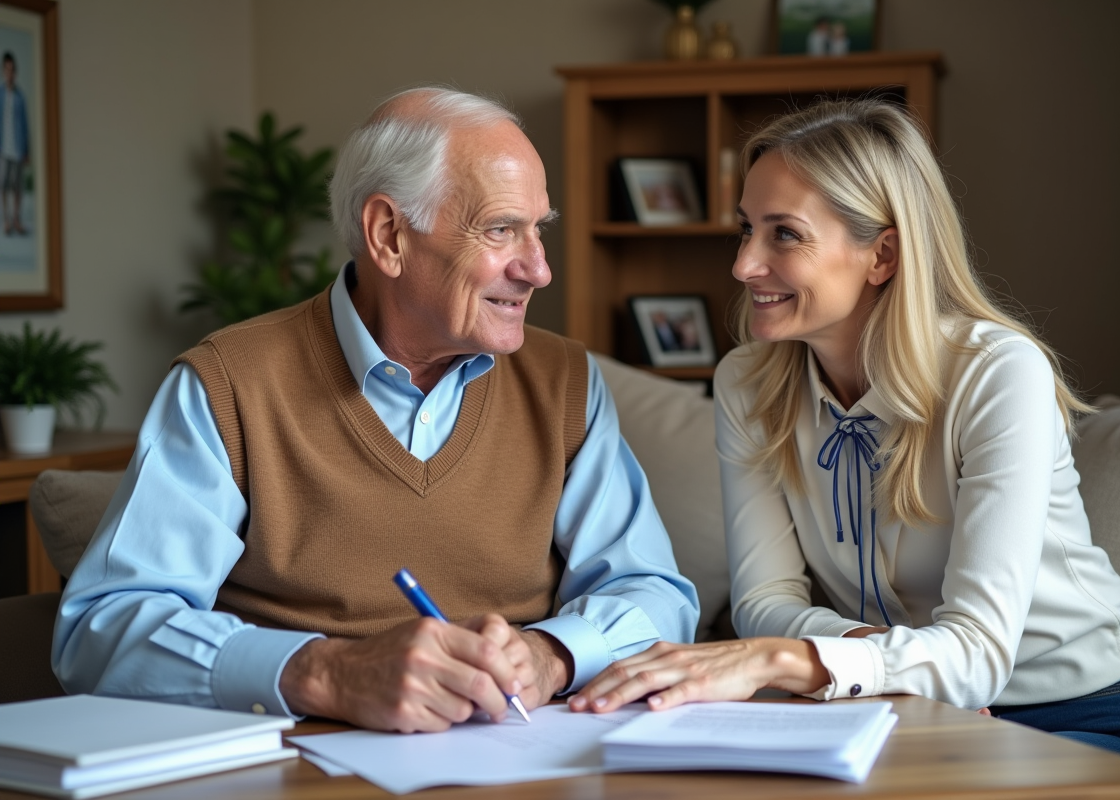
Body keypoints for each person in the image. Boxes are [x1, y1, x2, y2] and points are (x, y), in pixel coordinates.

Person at [571, 98, 1120, 775]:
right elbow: (763, 603)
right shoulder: (746, 383)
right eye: (745, 230)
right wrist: (878, 655)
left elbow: (979, 658)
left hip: (1084, 714)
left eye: (784, 234)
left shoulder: (996, 374)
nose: (744, 264)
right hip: (893, 702)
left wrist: (786, 657)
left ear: (882, 255)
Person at [53, 87, 698, 734]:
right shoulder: (227, 384)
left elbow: (657, 594)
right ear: (389, 234)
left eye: (540, 229)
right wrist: (330, 672)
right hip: (295, 767)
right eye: (502, 229)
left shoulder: (566, 385)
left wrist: (552, 654)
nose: (539, 269)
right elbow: (99, 631)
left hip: (517, 761)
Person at [0, 51, 29, 236]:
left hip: (17, 147)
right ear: (4, 71)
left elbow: (25, 125)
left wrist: (27, 149)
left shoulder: (20, 96)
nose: (10, 73)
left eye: (12, 70)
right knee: (3, 185)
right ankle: (6, 219)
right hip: (4, 147)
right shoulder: (0, 95)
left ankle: (17, 219)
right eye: (7, 69)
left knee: (18, 186)